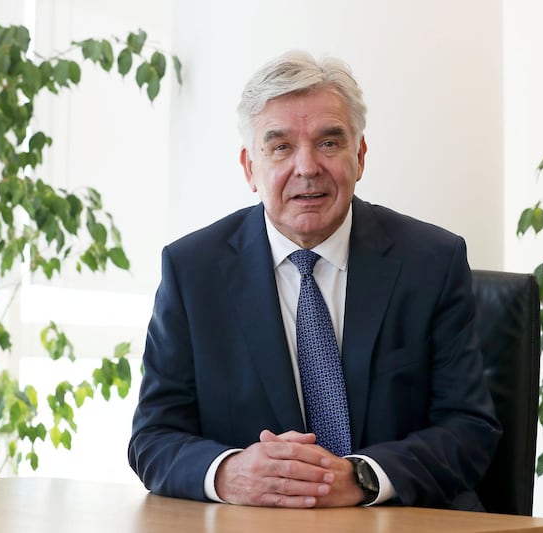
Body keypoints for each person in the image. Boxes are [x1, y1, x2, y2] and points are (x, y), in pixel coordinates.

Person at [128, 50, 501, 510]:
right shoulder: (192, 271)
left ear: (359, 157)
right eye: (280, 146)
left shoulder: (432, 262)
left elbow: (469, 429)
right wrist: (229, 472)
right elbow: (153, 436)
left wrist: (362, 477)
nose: (307, 167)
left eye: (329, 143)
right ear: (250, 167)